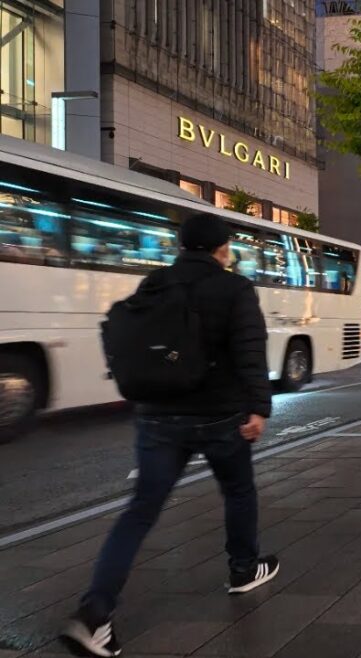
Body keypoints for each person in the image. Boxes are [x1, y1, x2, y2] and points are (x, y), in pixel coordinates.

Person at [61, 213, 276, 658]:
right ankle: (242, 570)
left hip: (159, 416)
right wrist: (258, 408)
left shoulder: (154, 284)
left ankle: (94, 613)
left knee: (140, 510)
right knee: (238, 491)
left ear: (182, 246)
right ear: (222, 249)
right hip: (221, 415)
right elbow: (250, 352)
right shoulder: (234, 287)